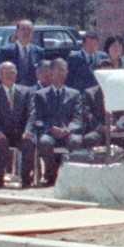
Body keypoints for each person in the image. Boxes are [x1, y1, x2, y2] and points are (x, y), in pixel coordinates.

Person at [0, 60, 38, 187]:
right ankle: (0, 178)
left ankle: (25, 179)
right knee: (1, 143)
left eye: (12, 72)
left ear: (16, 74)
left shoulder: (26, 92)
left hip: (21, 133)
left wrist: (28, 130)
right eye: (5, 72)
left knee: (30, 143)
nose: (9, 75)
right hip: (1, 134)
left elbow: (32, 113)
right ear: (0, 76)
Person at [29, 59, 79, 187]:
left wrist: (69, 129)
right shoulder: (40, 95)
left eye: (64, 70)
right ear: (50, 72)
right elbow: (38, 118)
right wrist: (50, 128)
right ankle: (52, 176)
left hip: (68, 132)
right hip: (49, 132)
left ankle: (71, 176)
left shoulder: (74, 94)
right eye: (58, 69)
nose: (61, 73)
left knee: (77, 141)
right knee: (44, 142)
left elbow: (78, 117)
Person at [0, 20, 43, 88]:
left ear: (33, 33)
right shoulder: (6, 51)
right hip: (12, 90)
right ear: (16, 32)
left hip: (32, 91)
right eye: (23, 29)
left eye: (29, 30)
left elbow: (41, 73)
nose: (26, 32)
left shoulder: (39, 51)